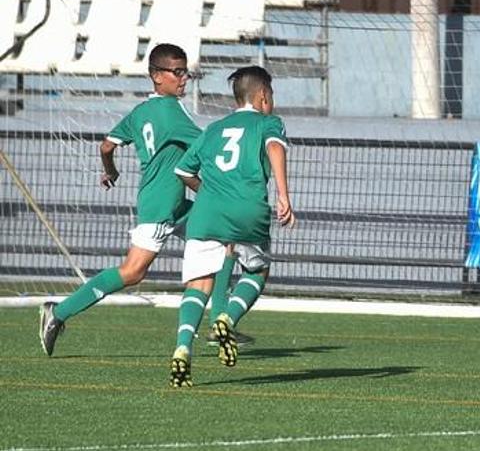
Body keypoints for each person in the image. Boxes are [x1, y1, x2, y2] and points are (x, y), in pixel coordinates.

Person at [38, 43, 208, 356]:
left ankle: (224, 321)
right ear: (157, 76)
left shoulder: (141, 112)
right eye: (178, 72)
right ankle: (58, 313)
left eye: (186, 72)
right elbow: (207, 145)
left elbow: (105, 146)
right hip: (161, 206)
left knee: (220, 240)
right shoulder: (172, 110)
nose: (184, 79)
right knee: (132, 272)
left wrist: (110, 172)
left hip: (172, 202)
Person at [169, 65, 293, 387]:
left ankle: (183, 348)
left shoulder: (213, 129)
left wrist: (211, 193)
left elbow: (182, 171)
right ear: (263, 96)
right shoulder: (269, 123)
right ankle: (228, 317)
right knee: (256, 271)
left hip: (207, 212)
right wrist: (283, 195)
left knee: (198, 284)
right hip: (248, 209)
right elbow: (274, 148)